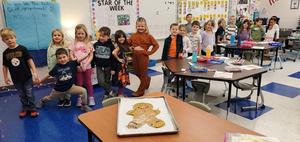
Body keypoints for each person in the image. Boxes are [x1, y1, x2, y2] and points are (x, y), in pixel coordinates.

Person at [1, 28, 40, 118]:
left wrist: (35, 72)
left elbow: (30, 61)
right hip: (16, 78)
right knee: (21, 94)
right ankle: (25, 107)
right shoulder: (5, 53)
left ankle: (32, 108)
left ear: (15, 37)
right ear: (3, 41)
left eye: (11, 37)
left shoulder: (23, 49)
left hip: (27, 77)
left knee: (29, 93)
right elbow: (5, 66)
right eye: (7, 39)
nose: (9, 40)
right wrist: (5, 77)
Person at [128, 17, 159, 96]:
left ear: (145, 26)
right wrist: (131, 48)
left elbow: (156, 45)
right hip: (135, 57)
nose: (140, 28)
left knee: (143, 74)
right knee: (136, 72)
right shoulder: (133, 36)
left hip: (143, 57)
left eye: (142, 26)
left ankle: (140, 91)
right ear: (136, 26)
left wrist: (149, 53)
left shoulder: (149, 36)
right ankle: (147, 79)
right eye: (139, 26)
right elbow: (128, 44)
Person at [69, 24, 95, 106]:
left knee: (88, 83)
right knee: (79, 83)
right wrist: (77, 64)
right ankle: (80, 99)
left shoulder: (89, 43)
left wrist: (86, 65)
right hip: (77, 67)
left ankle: (91, 98)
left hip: (87, 67)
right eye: (78, 33)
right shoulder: (73, 43)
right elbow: (71, 55)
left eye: (82, 33)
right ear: (76, 34)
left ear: (85, 34)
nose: (80, 35)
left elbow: (91, 56)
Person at [47, 29, 72, 107]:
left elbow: (69, 57)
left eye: (59, 35)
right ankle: (61, 99)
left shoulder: (65, 46)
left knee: (67, 83)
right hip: (56, 70)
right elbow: (48, 58)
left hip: (65, 69)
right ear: (52, 37)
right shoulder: (50, 47)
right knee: (58, 84)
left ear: (62, 36)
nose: (57, 37)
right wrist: (50, 68)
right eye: (55, 35)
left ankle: (67, 98)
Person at [93, 26, 116, 98]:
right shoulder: (96, 44)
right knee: (101, 81)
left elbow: (113, 58)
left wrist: (113, 68)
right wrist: (93, 64)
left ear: (108, 37)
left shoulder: (111, 46)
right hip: (99, 66)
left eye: (103, 36)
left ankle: (107, 93)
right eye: (100, 36)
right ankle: (111, 91)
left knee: (107, 81)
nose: (101, 38)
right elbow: (93, 55)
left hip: (108, 66)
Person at [112, 30, 131, 96]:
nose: (121, 38)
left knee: (123, 81)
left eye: (123, 37)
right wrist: (119, 59)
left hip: (124, 66)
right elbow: (114, 53)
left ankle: (120, 93)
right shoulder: (119, 46)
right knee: (121, 81)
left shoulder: (124, 45)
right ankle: (120, 94)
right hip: (120, 67)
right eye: (119, 37)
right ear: (117, 39)